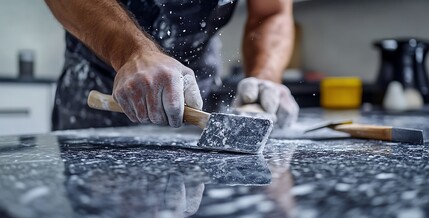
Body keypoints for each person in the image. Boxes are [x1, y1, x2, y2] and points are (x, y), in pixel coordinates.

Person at [45, 0, 299, 130]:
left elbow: (271, 13)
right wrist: (132, 53)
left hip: (197, 81)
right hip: (101, 79)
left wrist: (264, 77)